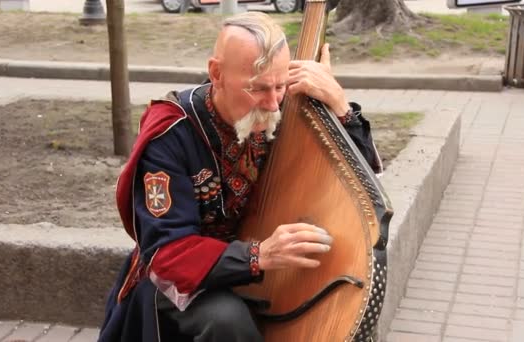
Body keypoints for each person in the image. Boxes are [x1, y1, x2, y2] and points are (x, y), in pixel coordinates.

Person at [98, 11, 382, 342]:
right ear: (216, 73)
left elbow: (360, 181)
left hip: (259, 259)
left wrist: (339, 105)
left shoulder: (277, 108)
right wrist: (259, 255)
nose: (274, 103)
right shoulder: (172, 133)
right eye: (258, 88)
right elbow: (167, 254)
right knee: (226, 320)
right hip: (182, 279)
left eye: (280, 86)